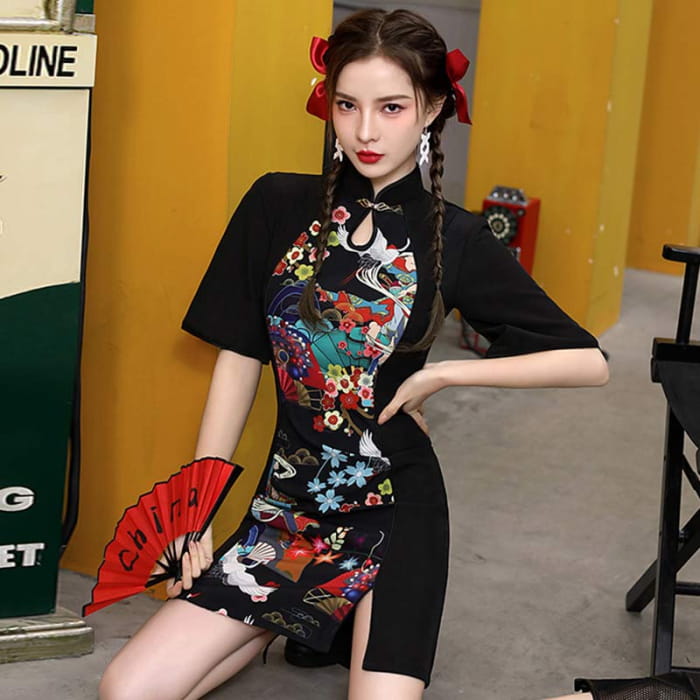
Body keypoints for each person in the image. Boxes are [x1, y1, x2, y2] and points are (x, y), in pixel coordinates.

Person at [98, 8, 609, 700]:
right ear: (328, 103)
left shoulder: (456, 238)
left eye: (391, 107)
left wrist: (445, 373)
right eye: (348, 105)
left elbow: (588, 361)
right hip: (289, 507)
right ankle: (276, 616)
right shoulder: (276, 204)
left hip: (397, 509)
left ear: (432, 108)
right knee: (126, 691)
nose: (366, 131)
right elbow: (239, 359)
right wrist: (199, 508)